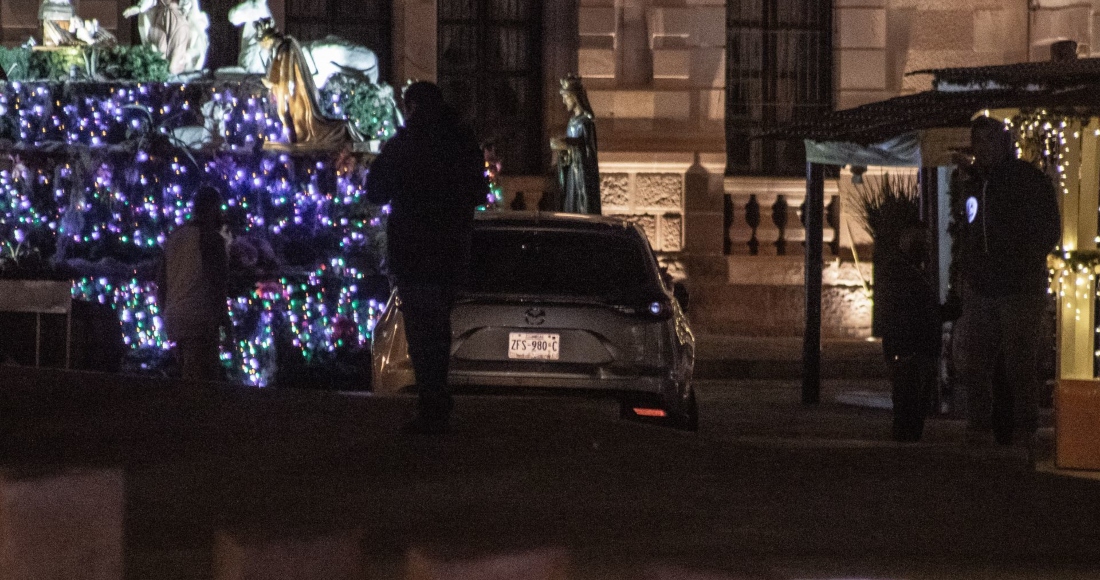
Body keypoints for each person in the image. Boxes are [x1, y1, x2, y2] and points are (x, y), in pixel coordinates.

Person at [366, 81, 488, 434]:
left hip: (414, 252)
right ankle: (437, 401)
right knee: (438, 328)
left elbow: (375, 190)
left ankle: (432, 404)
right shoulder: (461, 142)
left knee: (422, 331)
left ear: (414, 107)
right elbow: (478, 192)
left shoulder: (406, 145)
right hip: (450, 252)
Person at [952, 115, 1060, 448]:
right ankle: (980, 427)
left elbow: (1048, 229)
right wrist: (967, 268)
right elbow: (968, 230)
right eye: (978, 141)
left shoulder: (1025, 179)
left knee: (1019, 360)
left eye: (989, 140)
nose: (982, 148)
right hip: (984, 286)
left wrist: (1021, 260)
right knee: (977, 359)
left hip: (1018, 287)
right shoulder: (974, 183)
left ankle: (1023, 428)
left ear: (1004, 143)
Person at [157, 185, 230, 382]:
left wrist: (166, 314)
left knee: (187, 374)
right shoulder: (212, 239)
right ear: (213, 208)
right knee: (202, 381)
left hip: (175, 316)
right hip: (199, 318)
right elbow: (217, 284)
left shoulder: (175, 236)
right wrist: (226, 325)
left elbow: (161, 283)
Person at [551, 74, 601, 215]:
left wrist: (569, 143)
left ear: (574, 97)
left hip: (581, 178)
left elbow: (589, 152)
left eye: (566, 97)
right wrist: (563, 150)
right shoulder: (572, 121)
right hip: (572, 174)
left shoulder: (586, 122)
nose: (564, 101)